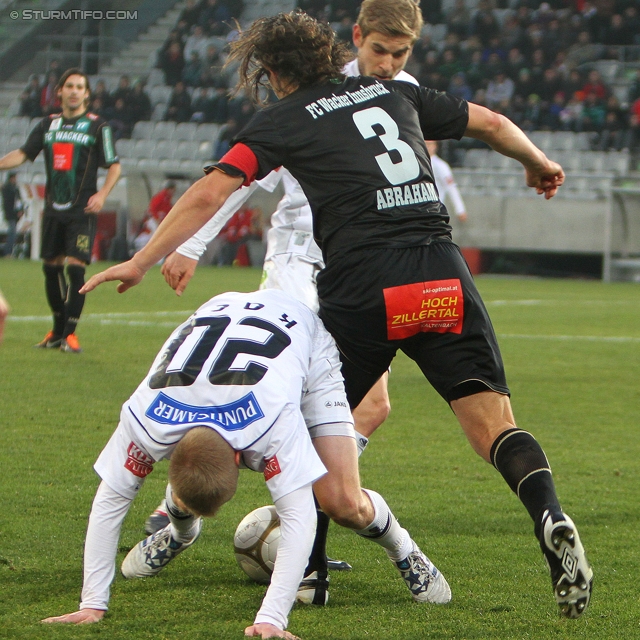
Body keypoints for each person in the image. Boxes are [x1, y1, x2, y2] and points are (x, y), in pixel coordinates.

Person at [82, 10, 593, 619]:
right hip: (440, 274)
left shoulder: (282, 117)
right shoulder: (395, 91)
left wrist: (143, 260)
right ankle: (549, 513)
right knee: (494, 428)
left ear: (270, 72)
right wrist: (537, 163)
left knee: (310, 423)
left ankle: (306, 574)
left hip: (365, 287)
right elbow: (493, 121)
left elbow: (214, 188)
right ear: (340, 47)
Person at [143, 0, 427, 596]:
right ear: (356, 41)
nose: (389, 64)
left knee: (369, 409)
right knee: (247, 404)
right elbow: (248, 176)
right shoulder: (315, 97)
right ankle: (180, 514)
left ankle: (309, 515)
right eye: (379, 51)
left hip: (355, 267)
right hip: (298, 263)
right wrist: (192, 243)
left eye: (400, 54)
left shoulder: (403, 94)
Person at [41, 289, 451, 637]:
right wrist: (92, 601)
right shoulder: (144, 415)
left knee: (340, 501)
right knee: (196, 477)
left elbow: (300, 516)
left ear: (242, 459)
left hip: (306, 346)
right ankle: (181, 531)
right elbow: (110, 499)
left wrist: (272, 616)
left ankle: (403, 549)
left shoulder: (273, 422)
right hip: (217, 317)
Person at [0, 68, 121, 353]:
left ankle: (71, 334)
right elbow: (24, 153)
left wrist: (102, 194)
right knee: (50, 268)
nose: (75, 91)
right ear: (60, 92)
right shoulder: (47, 125)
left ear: (87, 94)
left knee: (75, 268)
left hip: (82, 211)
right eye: (69, 86)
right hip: (54, 211)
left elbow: (114, 164)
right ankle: (56, 331)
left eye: (80, 86)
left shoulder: (97, 126)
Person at [425, 141, 467, 222]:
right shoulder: (417, 163)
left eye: (429, 144)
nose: (427, 147)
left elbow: (451, 187)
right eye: (425, 144)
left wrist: (460, 209)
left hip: (434, 209)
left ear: (435, 146)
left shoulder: (441, 166)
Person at [2, 172, 23, 257]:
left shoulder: (12, 188)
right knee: (12, 233)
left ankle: (9, 251)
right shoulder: (9, 189)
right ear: (11, 178)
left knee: (13, 233)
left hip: (12, 214)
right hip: (11, 214)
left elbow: (18, 201)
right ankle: (8, 252)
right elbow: (12, 202)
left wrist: (20, 210)